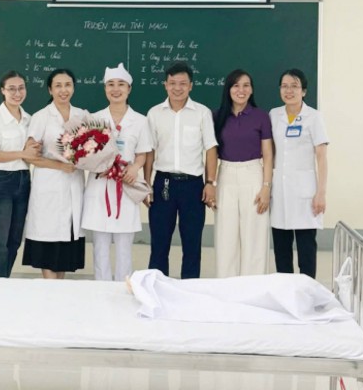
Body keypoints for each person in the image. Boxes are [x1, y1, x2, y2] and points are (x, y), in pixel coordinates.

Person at [144, 61, 218, 279]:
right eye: (173, 83)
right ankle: (156, 288)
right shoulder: (154, 113)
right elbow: (149, 151)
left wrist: (210, 183)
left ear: (191, 86)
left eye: (183, 83)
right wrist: (146, 184)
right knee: (159, 243)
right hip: (163, 184)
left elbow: (211, 149)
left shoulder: (202, 113)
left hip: (193, 186)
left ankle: (189, 290)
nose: (177, 88)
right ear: (165, 85)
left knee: (192, 244)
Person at [81, 63, 152, 281]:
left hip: (126, 185)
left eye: (121, 84)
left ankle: (124, 287)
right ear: (105, 89)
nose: (115, 89)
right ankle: (101, 289)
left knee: (124, 247)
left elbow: (143, 153)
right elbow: (86, 154)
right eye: (110, 84)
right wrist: (99, 166)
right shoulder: (94, 119)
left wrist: (135, 168)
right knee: (100, 247)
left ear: (129, 89)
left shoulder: (141, 121)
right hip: (100, 186)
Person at [22, 68, 86, 279]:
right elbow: (29, 156)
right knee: (47, 240)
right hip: (48, 184)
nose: (63, 90)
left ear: (73, 88)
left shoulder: (82, 116)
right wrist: (60, 166)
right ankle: (51, 289)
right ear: (50, 90)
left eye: (67, 85)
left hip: (73, 184)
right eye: (58, 86)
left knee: (66, 242)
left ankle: (59, 289)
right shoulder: (41, 117)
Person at [212, 69, 273, 277]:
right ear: (228, 89)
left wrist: (266, 187)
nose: (241, 90)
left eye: (246, 85)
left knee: (254, 234)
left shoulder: (261, 117)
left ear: (252, 90)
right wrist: (211, 183)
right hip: (226, 174)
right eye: (236, 85)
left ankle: (254, 287)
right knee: (226, 234)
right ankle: (226, 286)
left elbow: (268, 154)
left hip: (253, 174)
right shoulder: (217, 117)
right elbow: (211, 154)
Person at [269, 68, 329, 279]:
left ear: (303, 91)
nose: (289, 91)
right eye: (284, 86)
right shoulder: (274, 115)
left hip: (306, 193)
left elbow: (321, 157)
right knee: (281, 250)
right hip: (280, 191)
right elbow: (270, 153)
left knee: (306, 250)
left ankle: (307, 292)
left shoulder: (314, 117)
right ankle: (285, 292)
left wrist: (321, 193)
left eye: (294, 86)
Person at [0, 71, 40, 278]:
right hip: (1, 182)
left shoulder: (29, 119)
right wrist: (22, 153)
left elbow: (33, 151)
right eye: (12, 89)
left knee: (14, 240)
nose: (17, 93)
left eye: (21, 88)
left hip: (23, 180)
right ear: (3, 91)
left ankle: (3, 281)